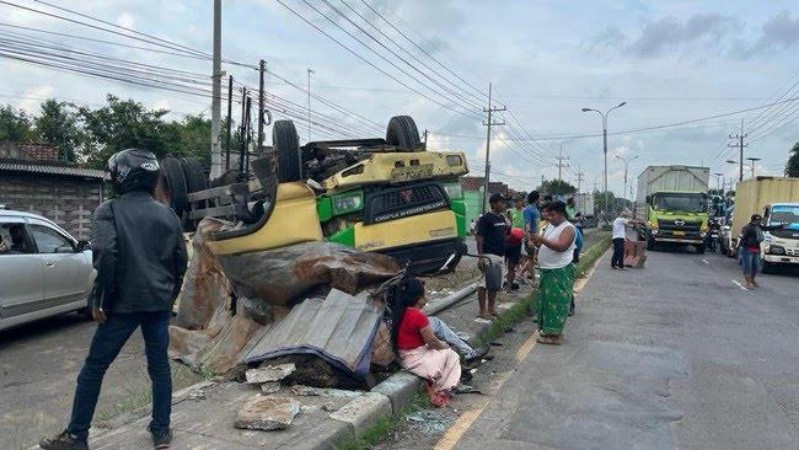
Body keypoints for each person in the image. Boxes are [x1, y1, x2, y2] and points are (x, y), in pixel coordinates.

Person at [41, 149, 188, 450]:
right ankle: (161, 431)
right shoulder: (168, 214)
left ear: (122, 176)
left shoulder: (109, 210)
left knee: (94, 368)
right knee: (159, 368)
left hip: (122, 305)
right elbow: (180, 263)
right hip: (158, 305)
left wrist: (102, 299)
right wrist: (167, 296)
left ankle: (77, 436)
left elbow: (106, 255)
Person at [390, 276, 462, 407]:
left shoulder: (400, 313)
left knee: (443, 353)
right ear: (418, 298)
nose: (426, 298)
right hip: (416, 359)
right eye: (424, 295)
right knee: (452, 355)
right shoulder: (418, 316)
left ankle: (437, 384)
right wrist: (445, 346)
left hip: (403, 357)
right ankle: (443, 389)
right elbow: (432, 341)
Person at [530, 201, 576, 345]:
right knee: (546, 302)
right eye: (547, 214)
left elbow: (561, 246)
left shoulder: (568, 228)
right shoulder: (550, 226)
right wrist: (535, 242)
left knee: (557, 303)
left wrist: (542, 239)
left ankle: (555, 336)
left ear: (561, 213)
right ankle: (548, 332)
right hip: (548, 270)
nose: (549, 217)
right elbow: (544, 244)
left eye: (552, 214)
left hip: (559, 270)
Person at [475, 193, 508, 319]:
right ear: (494, 204)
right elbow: (479, 237)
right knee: (484, 284)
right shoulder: (485, 219)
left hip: (500, 255)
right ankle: (482, 311)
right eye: (501, 202)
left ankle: (491, 309)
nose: (503, 204)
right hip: (489, 255)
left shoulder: (501, 218)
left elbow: (503, 234)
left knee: (495, 285)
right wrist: (481, 256)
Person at [739, 213, 785, 289]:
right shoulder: (748, 227)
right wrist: (742, 247)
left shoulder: (759, 227)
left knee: (756, 266)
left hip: (756, 250)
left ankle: (752, 279)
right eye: (758, 220)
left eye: (760, 219)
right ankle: (748, 283)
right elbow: (743, 238)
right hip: (747, 250)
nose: (760, 221)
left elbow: (768, 228)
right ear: (753, 220)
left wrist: (780, 226)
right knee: (748, 267)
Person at [518, 191, 542, 285]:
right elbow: (527, 225)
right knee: (531, 259)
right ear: (536, 199)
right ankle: (533, 281)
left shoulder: (536, 210)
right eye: (539, 198)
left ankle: (520, 274)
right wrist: (529, 240)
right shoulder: (528, 210)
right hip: (531, 237)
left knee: (532, 259)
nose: (540, 200)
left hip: (536, 237)